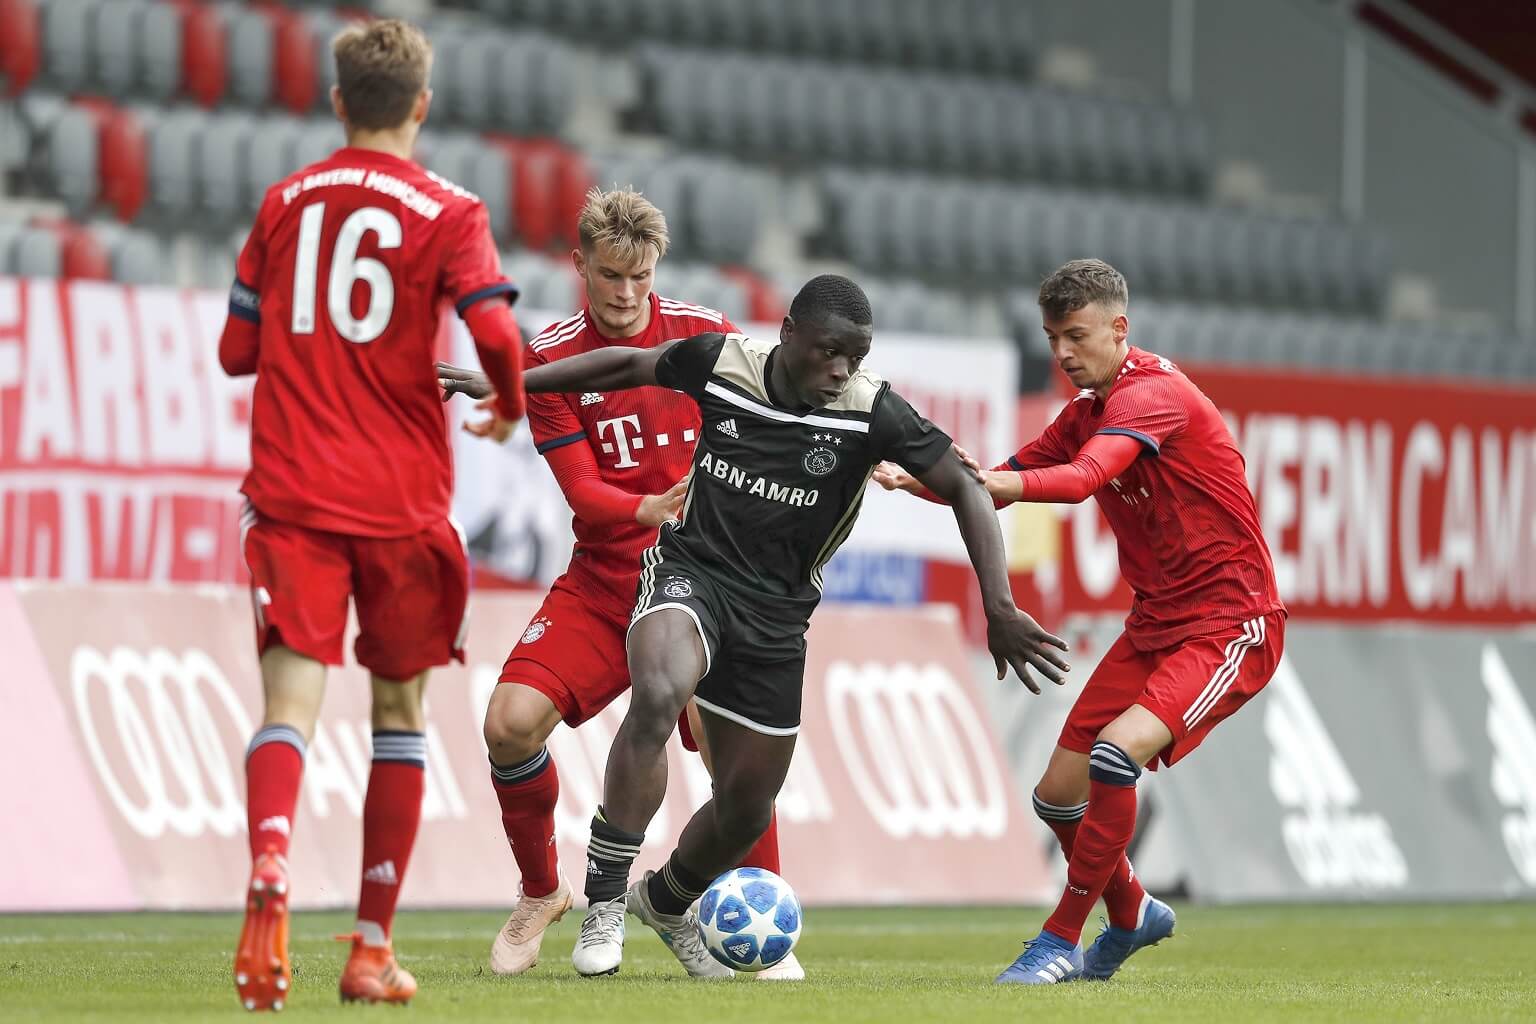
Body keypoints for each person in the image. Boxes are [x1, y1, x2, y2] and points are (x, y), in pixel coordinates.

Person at [486, 272, 1069, 979]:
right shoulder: (722, 364)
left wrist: (999, 606)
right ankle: (604, 902)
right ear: (789, 333)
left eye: (855, 356)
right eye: (829, 351)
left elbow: (967, 487)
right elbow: (625, 366)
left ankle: (665, 901)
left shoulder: (871, 411)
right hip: (690, 574)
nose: (841, 369)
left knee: (746, 807)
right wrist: (516, 381)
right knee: (659, 693)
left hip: (776, 619)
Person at [219, 19, 525, 1010]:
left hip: (294, 495)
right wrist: (507, 402)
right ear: (422, 106)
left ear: (339, 102)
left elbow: (235, 350)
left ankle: (271, 857)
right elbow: (494, 328)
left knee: (288, 707)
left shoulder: (282, 203)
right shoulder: (451, 209)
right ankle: (370, 948)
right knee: (399, 717)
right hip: (401, 504)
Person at [874, 259, 1286, 984]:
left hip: (1230, 624)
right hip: (1154, 625)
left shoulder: (1152, 396)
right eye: (1052, 337)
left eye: (1076, 335)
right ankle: (1131, 911)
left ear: (1119, 329)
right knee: (1056, 796)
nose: (1062, 353)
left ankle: (1060, 939)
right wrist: (924, 481)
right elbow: (995, 482)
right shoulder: (1086, 413)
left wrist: (990, 481)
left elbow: (1081, 479)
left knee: (1115, 757)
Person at [436, 188, 801, 980]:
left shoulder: (707, 335)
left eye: (640, 277)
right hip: (606, 584)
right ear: (580, 266)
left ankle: (753, 909)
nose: (627, 293)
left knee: (730, 748)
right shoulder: (553, 360)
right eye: (610, 275)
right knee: (508, 725)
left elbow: (788, 418)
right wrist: (649, 506)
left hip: (707, 586)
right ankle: (542, 891)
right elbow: (582, 491)